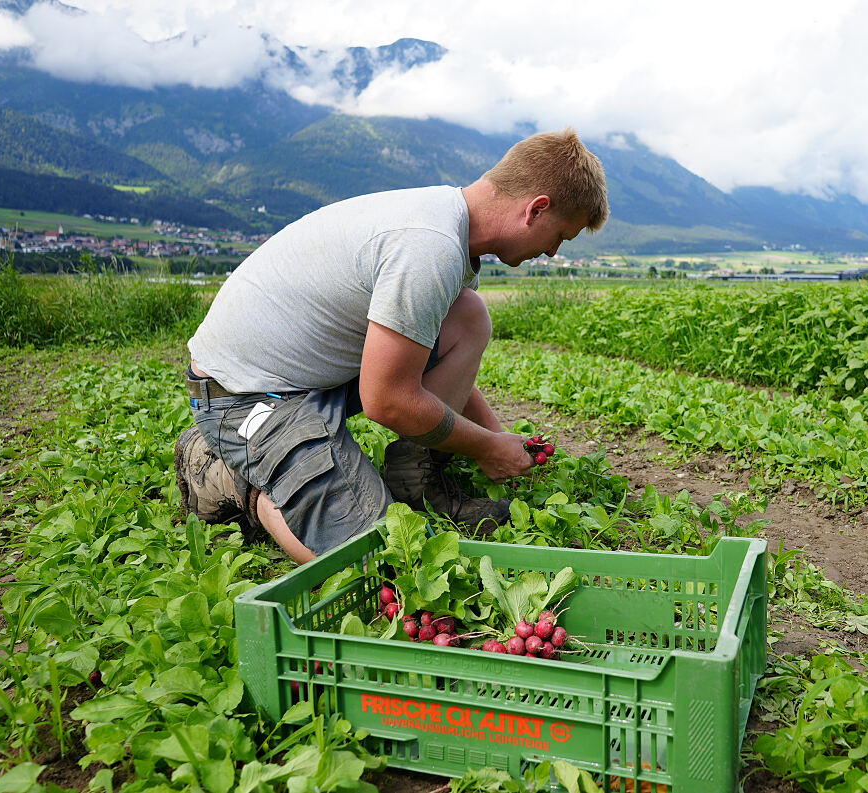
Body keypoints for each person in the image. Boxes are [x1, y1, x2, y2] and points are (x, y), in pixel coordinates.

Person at [174, 128, 608, 563]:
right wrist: (486, 448)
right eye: (561, 237)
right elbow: (387, 400)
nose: (552, 252)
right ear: (536, 209)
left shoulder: (450, 223)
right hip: (243, 396)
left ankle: (414, 479)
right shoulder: (429, 247)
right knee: (383, 556)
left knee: (467, 316)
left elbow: (413, 358)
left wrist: (496, 437)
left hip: (312, 373)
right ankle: (232, 476)